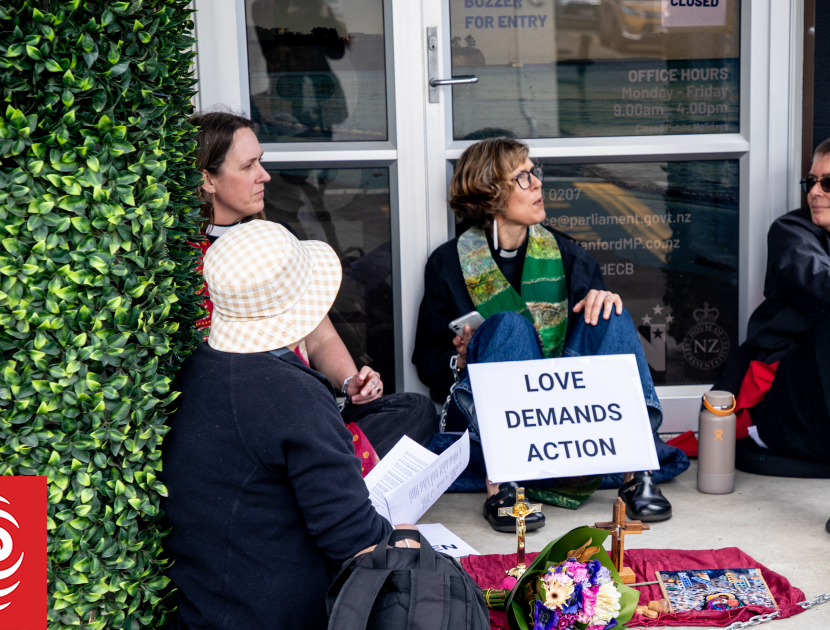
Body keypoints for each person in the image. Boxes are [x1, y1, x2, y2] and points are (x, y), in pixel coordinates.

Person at [161, 220, 415, 629]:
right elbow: (354, 540)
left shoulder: (195, 369)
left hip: (204, 604)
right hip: (277, 613)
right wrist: (403, 535)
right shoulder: (292, 393)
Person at [412, 137, 673, 532]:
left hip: (569, 421)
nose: (537, 184)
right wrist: (461, 359)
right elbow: (426, 357)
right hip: (494, 429)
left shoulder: (569, 255)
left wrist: (601, 299)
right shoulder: (449, 264)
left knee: (612, 311)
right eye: (522, 177)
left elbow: (598, 346)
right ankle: (504, 487)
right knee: (508, 326)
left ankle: (637, 473)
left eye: (536, 173)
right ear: (490, 192)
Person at [189, 111, 435, 458]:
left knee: (416, 410)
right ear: (207, 179)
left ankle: (326, 468)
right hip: (254, 418)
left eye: (261, 162)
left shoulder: (272, 239)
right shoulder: (185, 264)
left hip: (311, 405)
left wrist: (351, 383)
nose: (265, 176)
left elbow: (319, 335)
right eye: (248, 166)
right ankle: (332, 471)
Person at [715, 131, 830, 537]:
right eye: (811, 182)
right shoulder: (793, 232)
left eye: (829, 182)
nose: (814, 191)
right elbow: (823, 282)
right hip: (796, 409)